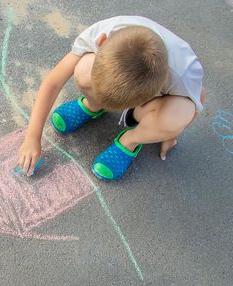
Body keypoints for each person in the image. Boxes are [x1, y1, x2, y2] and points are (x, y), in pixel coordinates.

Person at [18, 16, 205, 181]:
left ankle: (130, 140)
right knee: (83, 69)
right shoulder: (101, 31)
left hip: (150, 104)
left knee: (181, 113)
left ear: (164, 80)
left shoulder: (185, 72)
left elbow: (198, 99)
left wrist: (172, 134)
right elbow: (53, 82)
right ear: (101, 42)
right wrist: (32, 137)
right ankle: (93, 105)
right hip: (137, 91)